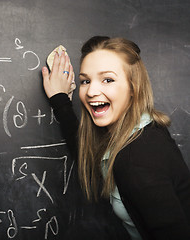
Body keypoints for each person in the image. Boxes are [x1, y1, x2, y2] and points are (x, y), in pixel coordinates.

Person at [42, 36, 190, 240]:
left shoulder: (138, 157)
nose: (91, 91)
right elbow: (93, 159)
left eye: (108, 80)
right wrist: (61, 101)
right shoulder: (139, 131)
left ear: (133, 86)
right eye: (85, 81)